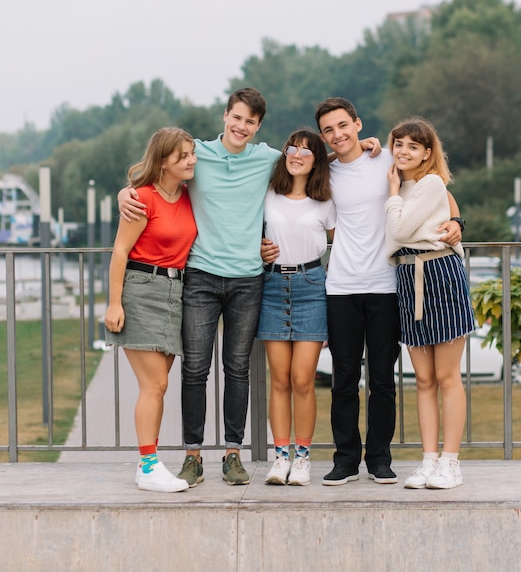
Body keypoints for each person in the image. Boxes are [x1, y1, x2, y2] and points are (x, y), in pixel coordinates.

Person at [118, 88, 379, 487]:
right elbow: (160, 170)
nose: (242, 126)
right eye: (236, 118)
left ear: (259, 127)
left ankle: (233, 454)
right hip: (201, 277)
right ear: (225, 116)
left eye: (251, 122)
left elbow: (306, 160)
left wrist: (363, 145)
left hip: (248, 279)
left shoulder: (267, 158)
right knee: (195, 369)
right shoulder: (197, 154)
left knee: (237, 369)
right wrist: (126, 192)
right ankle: (192, 456)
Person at [313, 98, 462, 486]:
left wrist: (458, 220)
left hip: (386, 284)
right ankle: (345, 459)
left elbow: (437, 191)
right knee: (344, 378)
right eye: (329, 129)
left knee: (383, 380)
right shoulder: (324, 170)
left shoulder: (388, 161)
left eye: (343, 125)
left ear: (358, 124)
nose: (338, 134)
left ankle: (380, 458)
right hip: (342, 285)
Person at [105, 127, 197, 493]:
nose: (191, 161)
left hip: (176, 291)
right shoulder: (141, 200)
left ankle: (150, 463)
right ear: (163, 162)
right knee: (154, 384)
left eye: (191, 153)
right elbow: (119, 252)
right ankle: (147, 466)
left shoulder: (189, 194)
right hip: (141, 291)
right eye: (183, 156)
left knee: (159, 385)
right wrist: (114, 303)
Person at [385, 116, 474, 490]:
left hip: (439, 275)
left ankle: (450, 463)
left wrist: (392, 195)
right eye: (398, 144)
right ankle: (428, 461)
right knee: (422, 379)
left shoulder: (431, 182)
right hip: (408, 277)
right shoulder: (398, 182)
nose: (404, 152)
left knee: (446, 376)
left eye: (413, 146)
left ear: (426, 153)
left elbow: (401, 230)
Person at [259, 129, 336, 487]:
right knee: (279, 379)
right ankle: (280, 456)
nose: (296, 154)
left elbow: (343, 243)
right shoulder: (268, 194)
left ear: (317, 159)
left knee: (303, 379)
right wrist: (257, 249)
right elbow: (248, 232)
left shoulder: (325, 201)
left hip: (311, 287)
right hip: (272, 286)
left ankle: (302, 457)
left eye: (306, 151)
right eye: (291, 148)